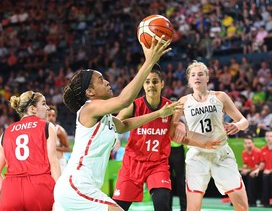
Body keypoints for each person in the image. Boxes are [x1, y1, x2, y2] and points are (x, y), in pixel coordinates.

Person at [53, 36, 180, 211]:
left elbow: (124, 125)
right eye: (100, 80)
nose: (106, 82)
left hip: (82, 187)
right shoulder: (89, 109)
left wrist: (158, 113)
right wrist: (149, 62)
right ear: (90, 92)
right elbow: (124, 101)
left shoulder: (104, 117)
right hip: (76, 185)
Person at [112, 64, 220, 211]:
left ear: (162, 84)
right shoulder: (134, 106)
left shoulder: (170, 107)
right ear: (143, 85)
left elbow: (177, 135)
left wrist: (202, 142)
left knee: (162, 202)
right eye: (147, 81)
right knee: (118, 207)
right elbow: (116, 125)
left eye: (155, 81)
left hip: (157, 164)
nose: (151, 85)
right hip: (133, 163)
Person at [174, 61, 249, 211]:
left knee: (242, 207)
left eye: (201, 74)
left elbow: (244, 121)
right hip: (197, 155)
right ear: (189, 80)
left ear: (207, 78)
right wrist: (179, 125)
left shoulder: (220, 97)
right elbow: (173, 131)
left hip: (221, 152)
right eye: (193, 75)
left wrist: (237, 126)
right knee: (193, 208)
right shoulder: (183, 102)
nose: (197, 77)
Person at [0, 91, 61, 210]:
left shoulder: (6, 132)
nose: (47, 107)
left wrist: (9, 192)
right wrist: (59, 195)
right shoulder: (47, 126)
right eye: (43, 104)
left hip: (11, 190)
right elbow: (53, 162)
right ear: (33, 109)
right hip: (39, 188)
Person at [250, 130, 272, 208]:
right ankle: (258, 202)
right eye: (267, 136)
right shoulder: (263, 149)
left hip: (269, 172)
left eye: (270, 136)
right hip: (265, 172)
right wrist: (257, 170)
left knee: (267, 176)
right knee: (253, 176)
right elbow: (262, 164)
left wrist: (270, 170)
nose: (269, 138)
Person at [47, 104, 71, 173]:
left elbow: (68, 148)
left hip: (59, 162)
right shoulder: (42, 130)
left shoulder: (59, 130)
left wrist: (55, 148)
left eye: (53, 116)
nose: (51, 118)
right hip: (48, 164)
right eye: (49, 115)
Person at [240, 134, 261, 207]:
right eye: (246, 143)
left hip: (258, 172)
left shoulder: (258, 152)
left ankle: (252, 201)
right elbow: (245, 165)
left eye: (249, 143)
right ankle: (240, 200)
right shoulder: (244, 153)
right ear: (244, 144)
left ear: (253, 143)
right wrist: (243, 170)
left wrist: (248, 170)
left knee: (250, 177)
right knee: (239, 176)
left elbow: (258, 166)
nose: (247, 145)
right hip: (250, 171)